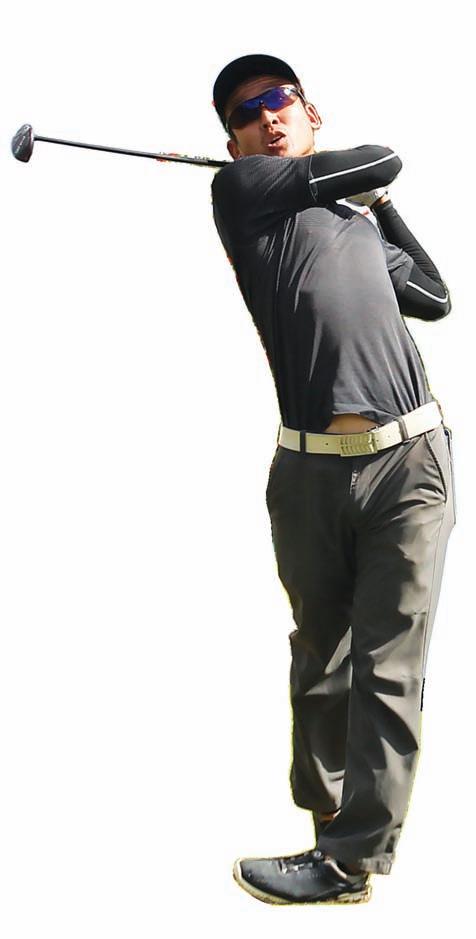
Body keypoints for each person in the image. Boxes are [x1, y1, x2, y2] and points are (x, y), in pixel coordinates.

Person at [210, 53, 456, 905]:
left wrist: (382, 210)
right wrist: (368, 183)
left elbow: (435, 296)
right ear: (235, 146)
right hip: (308, 472)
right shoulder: (247, 195)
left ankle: (351, 862)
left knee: (388, 666)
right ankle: (325, 828)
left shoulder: (354, 220)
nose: (266, 117)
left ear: (310, 111)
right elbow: (381, 155)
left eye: (279, 100)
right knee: (323, 658)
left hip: (408, 465)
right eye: (245, 115)